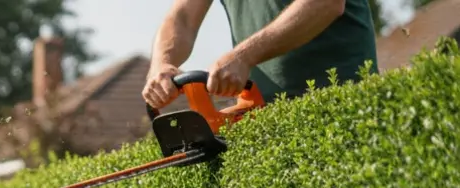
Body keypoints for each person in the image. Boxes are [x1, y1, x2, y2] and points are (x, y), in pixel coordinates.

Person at [143, 0, 377, 109]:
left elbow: (326, 3)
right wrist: (161, 64)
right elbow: (183, 17)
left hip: (342, 102)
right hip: (264, 115)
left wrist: (244, 56)